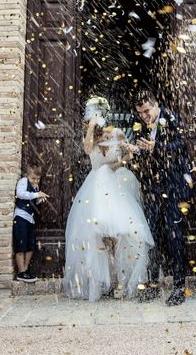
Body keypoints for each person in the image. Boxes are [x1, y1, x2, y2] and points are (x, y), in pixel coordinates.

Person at [63, 96, 154, 302]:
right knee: (97, 236)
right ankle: (103, 281)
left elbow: (128, 156)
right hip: (94, 189)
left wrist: (122, 158)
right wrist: (91, 127)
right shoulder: (91, 137)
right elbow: (87, 150)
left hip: (113, 186)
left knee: (119, 234)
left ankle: (121, 281)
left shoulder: (117, 132)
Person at [126, 91, 191, 306]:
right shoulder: (145, 126)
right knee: (152, 235)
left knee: (174, 236)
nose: (144, 116)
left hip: (174, 188)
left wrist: (158, 147)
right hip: (154, 189)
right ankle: (153, 284)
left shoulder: (171, 119)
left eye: (147, 111)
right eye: (140, 113)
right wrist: (137, 150)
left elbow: (182, 146)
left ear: (156, 105)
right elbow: (151, 156)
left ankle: (180, 287)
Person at [13, 164, 49, 282]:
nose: (36, 181)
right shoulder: (23, 181)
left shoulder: (35, 186)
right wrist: (36, 194)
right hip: (21, 217)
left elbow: (33, 200)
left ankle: (26, 270)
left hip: (30, 218)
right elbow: (20, 194)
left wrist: (39, 199)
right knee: (21, 245)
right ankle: (21, 272)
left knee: (30, 246)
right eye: (33, 178)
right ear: (27, 176)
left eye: (38, 179)